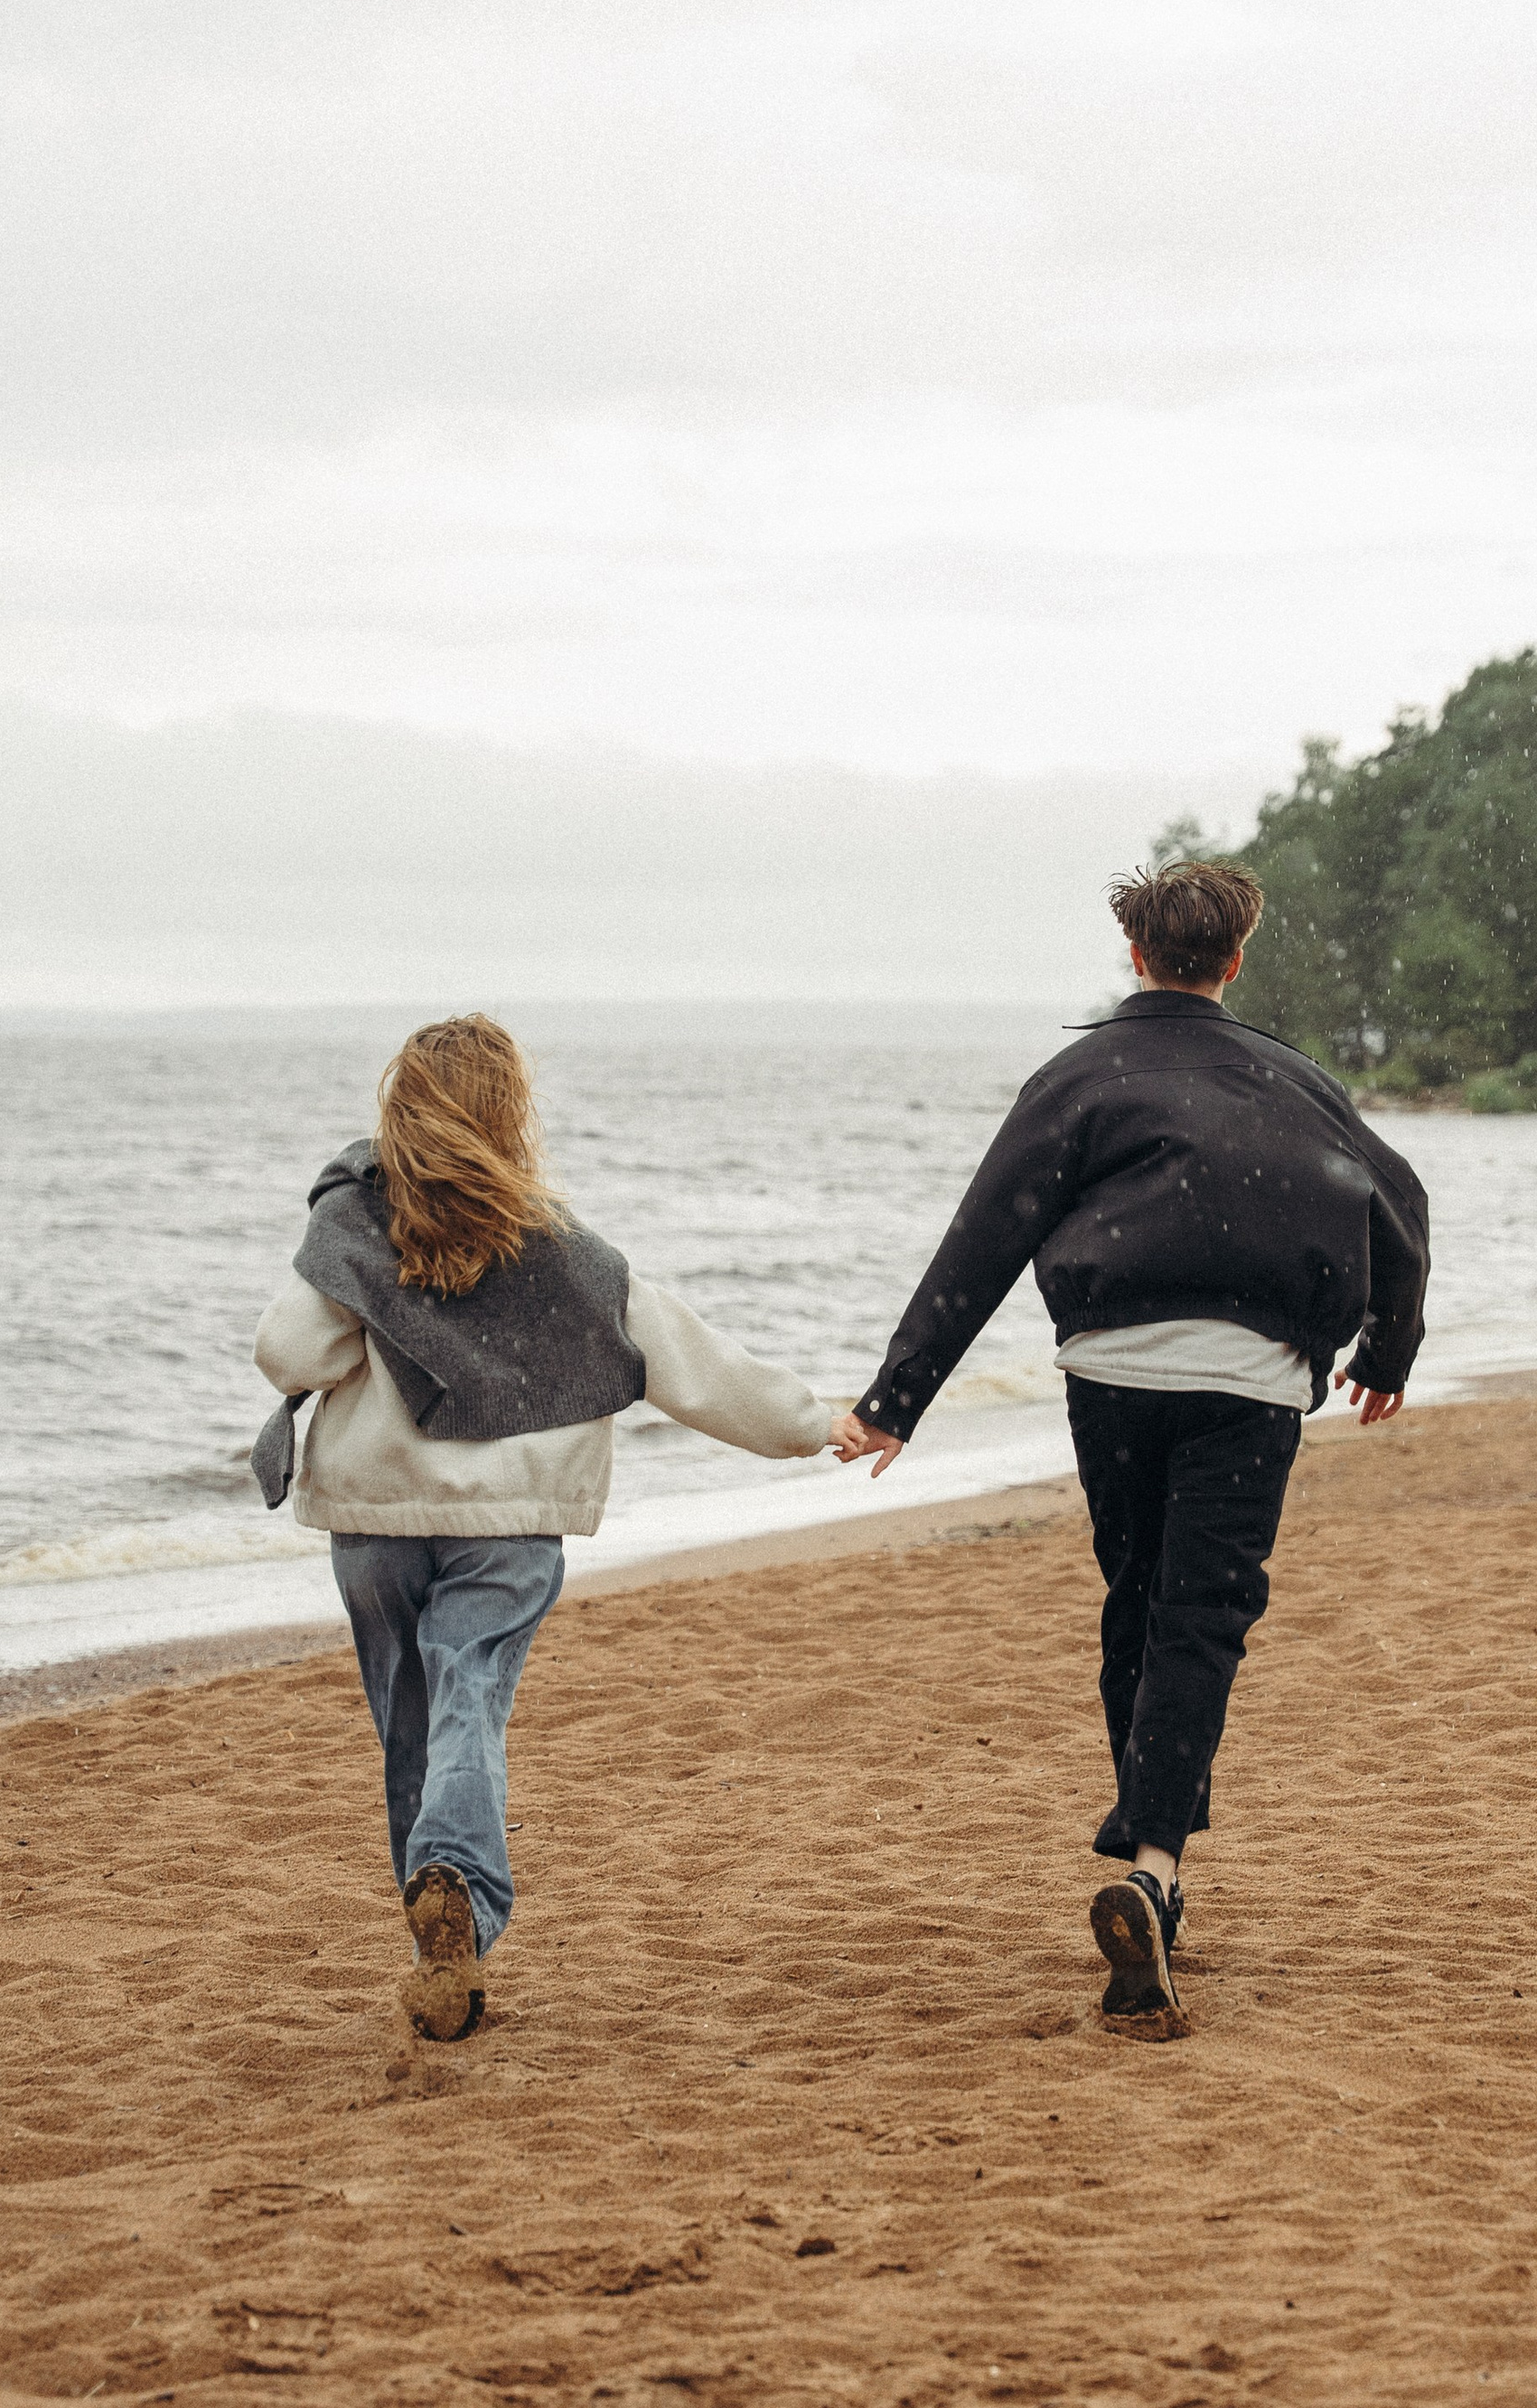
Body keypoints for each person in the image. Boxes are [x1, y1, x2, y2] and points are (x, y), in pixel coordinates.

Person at [829, 862, 1429, 2036]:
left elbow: (985, 1236)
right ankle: (1152, 1867)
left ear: (1137, 958)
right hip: (1253, 1380)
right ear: (1235, 961)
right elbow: (1397, 1204)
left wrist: (896, 1400)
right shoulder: (1299, 1082)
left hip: (1111, 1370)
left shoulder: (1080, 1076)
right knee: (1200, 1614)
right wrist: (1386, 1352)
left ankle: (1152, 1860)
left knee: (1138, 1597)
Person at [253, 1015, 831, 2041]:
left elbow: (287, 1349)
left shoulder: (356, 1225)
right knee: (468, 1694)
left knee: (408, 1718)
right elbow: (686, 1362)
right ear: (510, 1115)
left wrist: (380, 1330)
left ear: (401, 1113)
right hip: (511, 1520)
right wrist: (812, 1426)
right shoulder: (562, 1250)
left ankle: (441, 1943)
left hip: (377, 1516)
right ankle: (460, 1904)